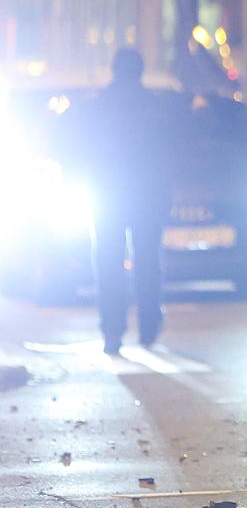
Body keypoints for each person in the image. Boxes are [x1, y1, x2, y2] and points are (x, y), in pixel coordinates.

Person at [60, 48, 179, 355]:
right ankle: (149, 327)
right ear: (140, 71)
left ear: (114, 70)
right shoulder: (156, 109)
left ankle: (112, 331)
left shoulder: (96, 108)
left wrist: (79, 181)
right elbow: (172, 152)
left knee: (108, 262)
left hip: (107, 195)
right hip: (146, 196)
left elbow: (74, 149)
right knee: (148, 261)